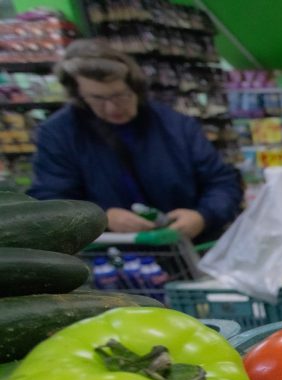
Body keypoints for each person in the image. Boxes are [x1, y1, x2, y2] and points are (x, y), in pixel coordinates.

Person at [28, 40, 240, 241]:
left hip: (187, 247)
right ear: (78, 95)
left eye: (120, 95)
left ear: (137, 88)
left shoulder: (176, 126)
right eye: (98, 99)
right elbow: (50, 200)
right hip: (112, 255)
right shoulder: (58, 134)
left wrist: (203, 216)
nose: (112, 108)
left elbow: (222, 182)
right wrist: (101, 217)